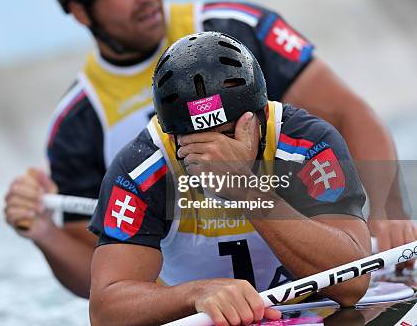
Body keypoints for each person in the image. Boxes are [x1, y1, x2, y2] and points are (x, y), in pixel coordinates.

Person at [4, 0, 412, 298]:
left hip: (307, 260)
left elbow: (347, 113)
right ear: (80, 11)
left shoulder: (238, 31)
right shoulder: (77, 122)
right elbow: (104, 279)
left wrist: (387, 211)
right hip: (204, 302)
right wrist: (47, 234)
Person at [88, 32, 371, 325]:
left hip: (310, 310)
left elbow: (352, 285)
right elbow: (104, 312)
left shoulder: (306, 143)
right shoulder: (141, 169)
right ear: (172, 136)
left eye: (226, 135)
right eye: (198, 141)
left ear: (260, 116)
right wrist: (196, 294)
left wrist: (245, 188)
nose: (215, 156)